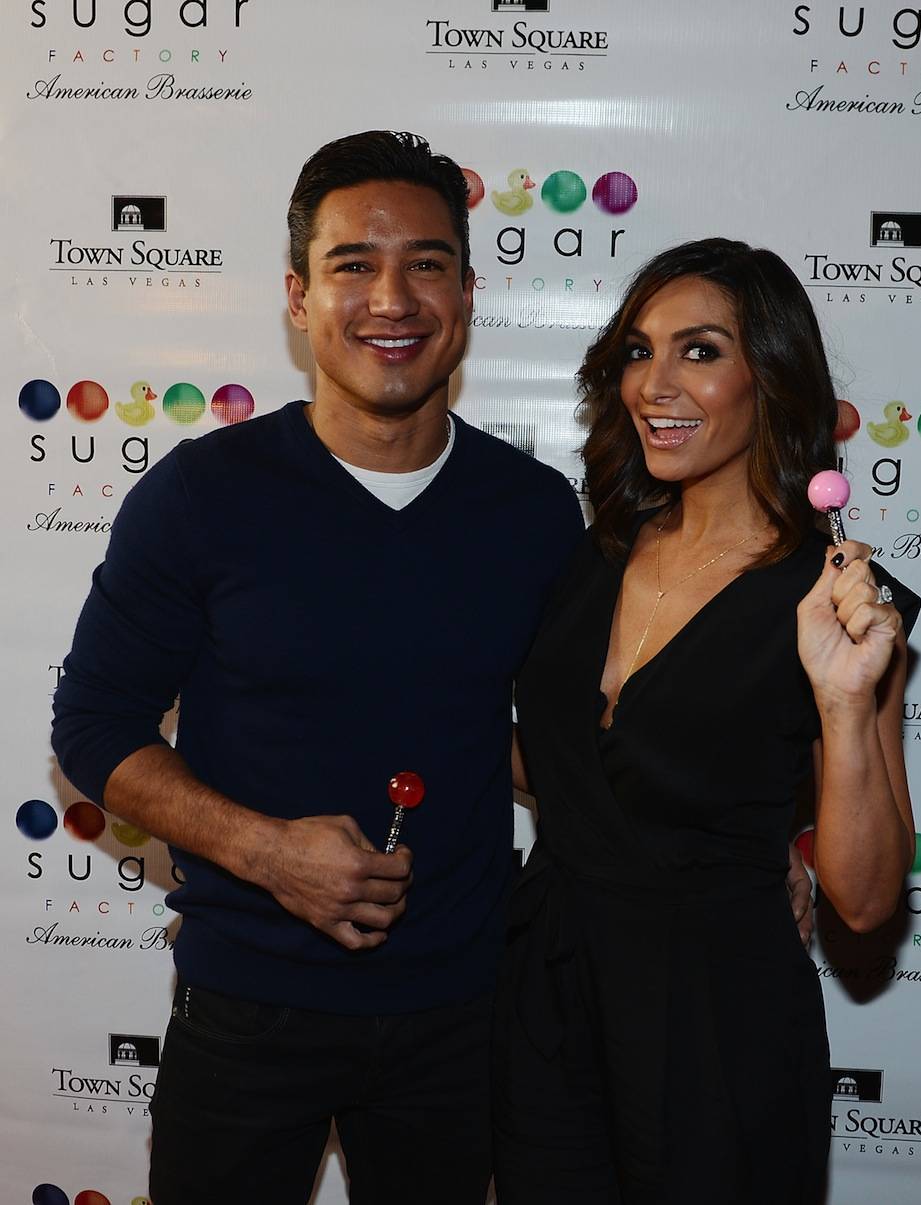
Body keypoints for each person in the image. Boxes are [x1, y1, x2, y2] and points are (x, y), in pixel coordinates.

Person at [50, 130, 587, 1205]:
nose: (392, 298)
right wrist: (266, 851)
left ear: (467, 294)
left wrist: (730, 843)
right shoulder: (201, 497)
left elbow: (565, 745)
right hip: (246, 1006)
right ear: (298, 297)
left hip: (462, 1012)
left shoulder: (534, 514)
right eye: (353, 265)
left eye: (426, 263)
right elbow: (94, 727)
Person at [492, 238, 920, 1204]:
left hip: (717, 1016)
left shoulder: (840, 600)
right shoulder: (594, 553)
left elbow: (863, 902)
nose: (655, 384)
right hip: (550, 998)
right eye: (639, 351)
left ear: (772, 376)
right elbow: (573, 772)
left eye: (700, 350)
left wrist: (844, 703)